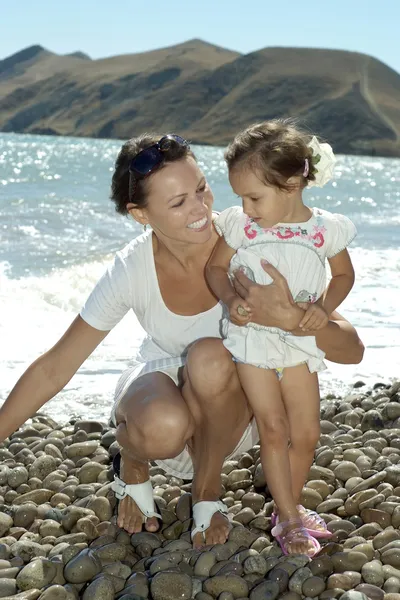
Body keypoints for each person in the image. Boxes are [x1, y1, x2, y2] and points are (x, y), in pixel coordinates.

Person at [0, 132, 364, 550]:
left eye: (202, 189)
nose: (201, 209)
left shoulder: (251, 235)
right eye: (178, 203)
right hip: (158, 390)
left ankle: (206, 494)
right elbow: (55, 366)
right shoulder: (131, 268)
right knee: (163, 423)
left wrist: (293, 317)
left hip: (231, 411)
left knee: (213, 356)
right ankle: (132, 463)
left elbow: (351, 350)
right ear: (141, 214)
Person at [206, 119, 356, 556]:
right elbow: (215, 269)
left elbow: (345, 275)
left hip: (299, 343)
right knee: (273, 428)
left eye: (254, 196)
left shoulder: (324, 229)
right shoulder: (243, 227)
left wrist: (323, 309)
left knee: (306, 432)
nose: (246, 207)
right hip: (252, 340)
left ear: (292, 183)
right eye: (240, 197)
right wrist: (231, 297)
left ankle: (285, 505)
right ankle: (289, 518)